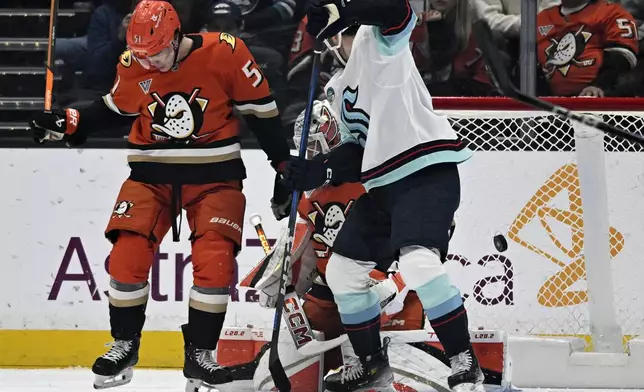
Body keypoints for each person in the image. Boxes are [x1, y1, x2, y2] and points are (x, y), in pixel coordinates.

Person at [29, 1, 292, 390]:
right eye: (141, 56)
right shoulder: (134, 62)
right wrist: (70, 122)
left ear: (176, 36)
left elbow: (263, 113)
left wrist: (282, 166)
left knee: (215, 261)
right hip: (150, 175)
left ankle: (200, 355)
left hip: (215, 177)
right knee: (126, 256)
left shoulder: (226, 51)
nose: (148, 63)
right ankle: (124, 344)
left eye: (157, 53)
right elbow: (114, 108)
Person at [282, 0, 482, 391]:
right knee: (342, 272)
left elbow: (397, 9)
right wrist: (317, 169)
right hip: (382, 186)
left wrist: (346, 8)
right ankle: (372, 362)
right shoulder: (339, 88)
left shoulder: (380, 44)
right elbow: (358, 150)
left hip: (425, 172)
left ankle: (464, 359)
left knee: (421, 263)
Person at [245, 99, 427, 375]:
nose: (311, 153)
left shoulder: (374, 178)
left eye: (316, 145)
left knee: (389, 352)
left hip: (383, 284)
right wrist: (282, 277)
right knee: (304, 351)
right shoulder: (310, 193)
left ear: (335, 138)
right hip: (334, 290)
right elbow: (305, 248)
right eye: (306, 147)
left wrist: (396, 281)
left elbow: (415, 236)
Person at [536, 0, 639, 97]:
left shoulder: (612, 13)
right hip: (549, 104)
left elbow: (623, 56)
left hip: (602, 101)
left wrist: (599, 85)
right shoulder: (539, 19)